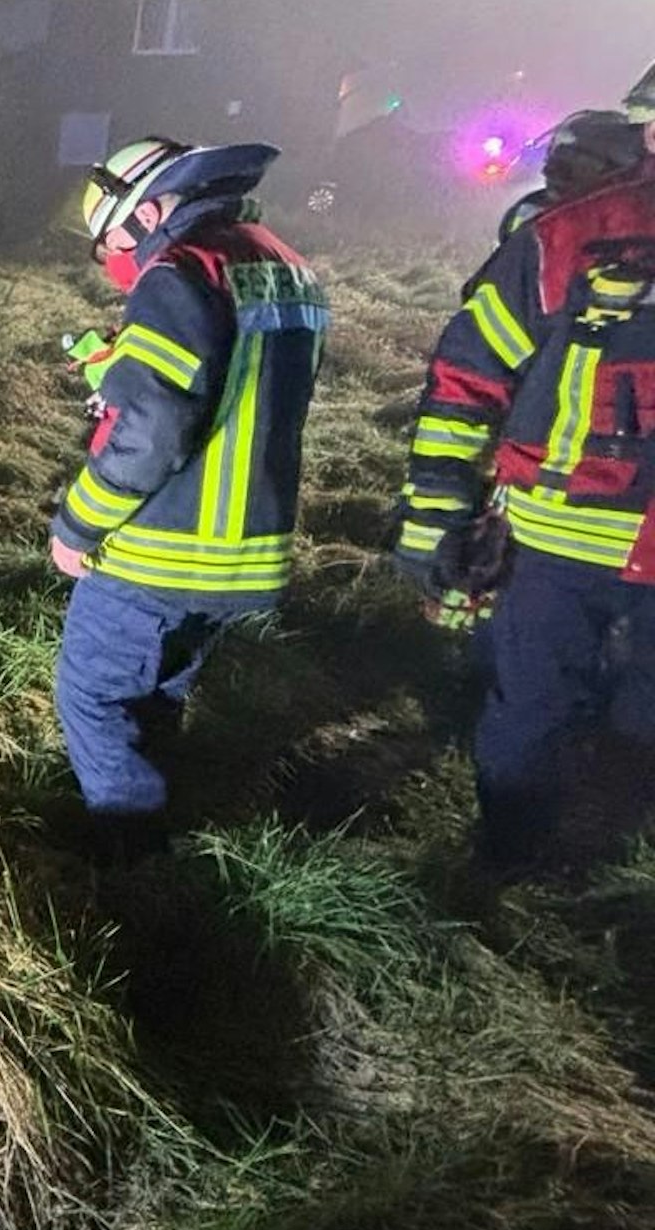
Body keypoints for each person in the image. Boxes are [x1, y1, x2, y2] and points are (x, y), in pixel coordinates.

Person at [391, 76, 655, 874]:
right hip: (558, 531)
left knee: (582, 709)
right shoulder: (567, 236)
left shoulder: (567, 232)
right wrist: (436, 521)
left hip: (560, 531)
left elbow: (463, 380)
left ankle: (560, 852)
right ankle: (518, 859)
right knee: (544, 703)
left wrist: (434, 522)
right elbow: (468, 377)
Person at [50, 136, 329, 857]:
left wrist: (77, 527)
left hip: (164, 549)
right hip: (248, 552)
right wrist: (127, 368)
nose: (111, 255)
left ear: (149, 210)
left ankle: (128, 851)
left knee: (93, 693)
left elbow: (153, 427)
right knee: (160, 688)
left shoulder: (178, 273)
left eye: (110, 236)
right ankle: (163, 795)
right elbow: (238, 387)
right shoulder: (284, 265)